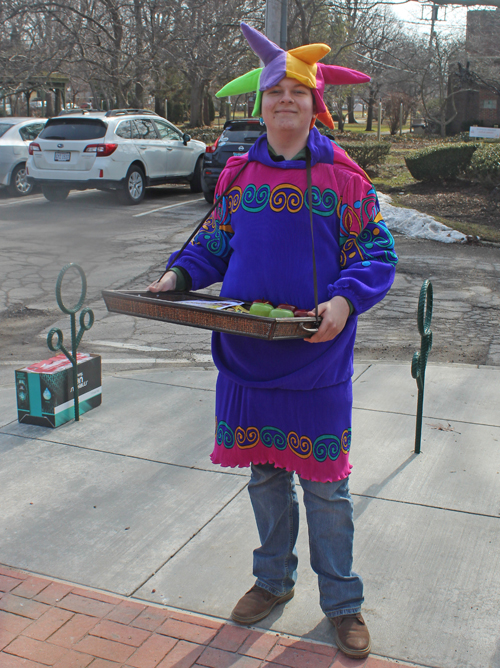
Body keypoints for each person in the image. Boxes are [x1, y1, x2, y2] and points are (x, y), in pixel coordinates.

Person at [148, 22, 397, 660]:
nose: (285, 100)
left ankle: (343, 605)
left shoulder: (344, 180)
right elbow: (212, 244)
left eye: (297, 92)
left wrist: (344, 300)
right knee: (264, 477)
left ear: (317, 106)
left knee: (326, 488)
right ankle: (272, 581)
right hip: (246, 355)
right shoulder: (237, 177)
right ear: (261, 104)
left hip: (317, 357)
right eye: (275, 92)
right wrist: (178, 274)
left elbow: (375, 252)